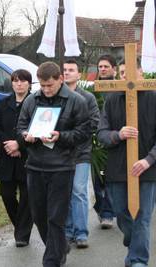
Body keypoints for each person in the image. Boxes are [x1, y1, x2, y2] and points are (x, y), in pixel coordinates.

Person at [97, 61, 156, 267]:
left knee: (142, 217)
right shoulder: (111, 99)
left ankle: (138, 260)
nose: (125, 76)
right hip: (118, 169)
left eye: (129, 71)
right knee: (122, 214)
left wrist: (149, 160)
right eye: (122, 72)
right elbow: (101, 134)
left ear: (140, 73)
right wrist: (117, 134)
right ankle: (132, 240)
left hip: (147, 169)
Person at [17, 61, 90, 267]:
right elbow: (21, 126)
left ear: (60, 80)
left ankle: (51, 261)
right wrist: (25, 135)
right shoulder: (32, 100)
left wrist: (61, 136)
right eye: (42, 85)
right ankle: (59, 246)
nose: (46, 90)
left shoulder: (76, 101)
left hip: (62, 166)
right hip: (35, 165)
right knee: (39, 215)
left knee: (56, 217)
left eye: (50, 85)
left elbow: (84, 132)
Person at [0, 69, 33, 248]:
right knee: (6, 194)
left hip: (28, 156)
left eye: (23, 81)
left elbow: (35, 128)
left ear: (29, 83)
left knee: (27, 196)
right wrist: (9, 146)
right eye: (16, 81)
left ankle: (22, 235)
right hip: (7, 156)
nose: (19, 84)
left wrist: (19, 145)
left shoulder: (35, 102)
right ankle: (21, 226)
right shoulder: (3, 103)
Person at [63, 59, 100, 249]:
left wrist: (72, 132)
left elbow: (94, 122)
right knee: (65, 192)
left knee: (78, 191)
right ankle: (68, 231)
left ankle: (81, 232)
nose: (67, 72)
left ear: (79, 75)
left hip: (81, 152)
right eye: (65, 70)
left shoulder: (88, 98)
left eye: (71, 70)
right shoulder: (56, 96)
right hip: (60, 153)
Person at [92, 54, 117, 229]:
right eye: (100, 66)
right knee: (94, 180)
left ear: (114, 69)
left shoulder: (118, 88)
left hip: (111, 138)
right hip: (94, 141)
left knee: (109, 178)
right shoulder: (92, 89)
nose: (102, 69)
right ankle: (100, 207)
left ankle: (108, 213)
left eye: (106, 66)